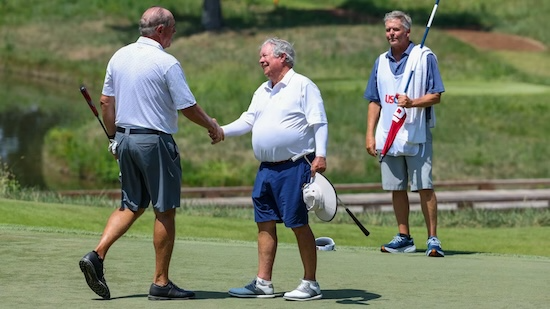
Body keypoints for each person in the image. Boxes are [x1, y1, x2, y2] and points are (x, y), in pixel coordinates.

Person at [78, 6, 223, 300]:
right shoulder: (166, 62)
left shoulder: (119, 55)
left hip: (126, 140)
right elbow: (187, 107)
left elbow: (106, 102)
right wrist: (212, 126)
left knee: (131, 205)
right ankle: (160, 283)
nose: (174, 35)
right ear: (160, 30)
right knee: (165, 209)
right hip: (155, 142)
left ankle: (97, 254)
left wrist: (114, 138)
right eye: (172, 29)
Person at [219, 38, 328, 301]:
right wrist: (221, 130)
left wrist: (321, 154)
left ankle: (310, 283)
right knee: (264, 223)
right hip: (266, 169)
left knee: (298, 223)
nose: (261, 60)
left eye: (265, 55)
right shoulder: (262, 90)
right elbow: (248, 119)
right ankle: (263, 283)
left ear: (283, 58)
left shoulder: (303, 85)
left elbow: (319, 122)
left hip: (294, 166)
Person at [363, 10, 445, 257]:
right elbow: (374, 100)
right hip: (388, 133)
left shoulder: (424, 57)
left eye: (396, 29)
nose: (391, 34)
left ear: (407, 32)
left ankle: (433, 239)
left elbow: (436, 95)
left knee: (424, 186)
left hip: (415, 132)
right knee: (396, 187)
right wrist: (369, 135)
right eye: (388, 30)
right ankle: (404, 237)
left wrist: (412, 103)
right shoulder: (381, 61)